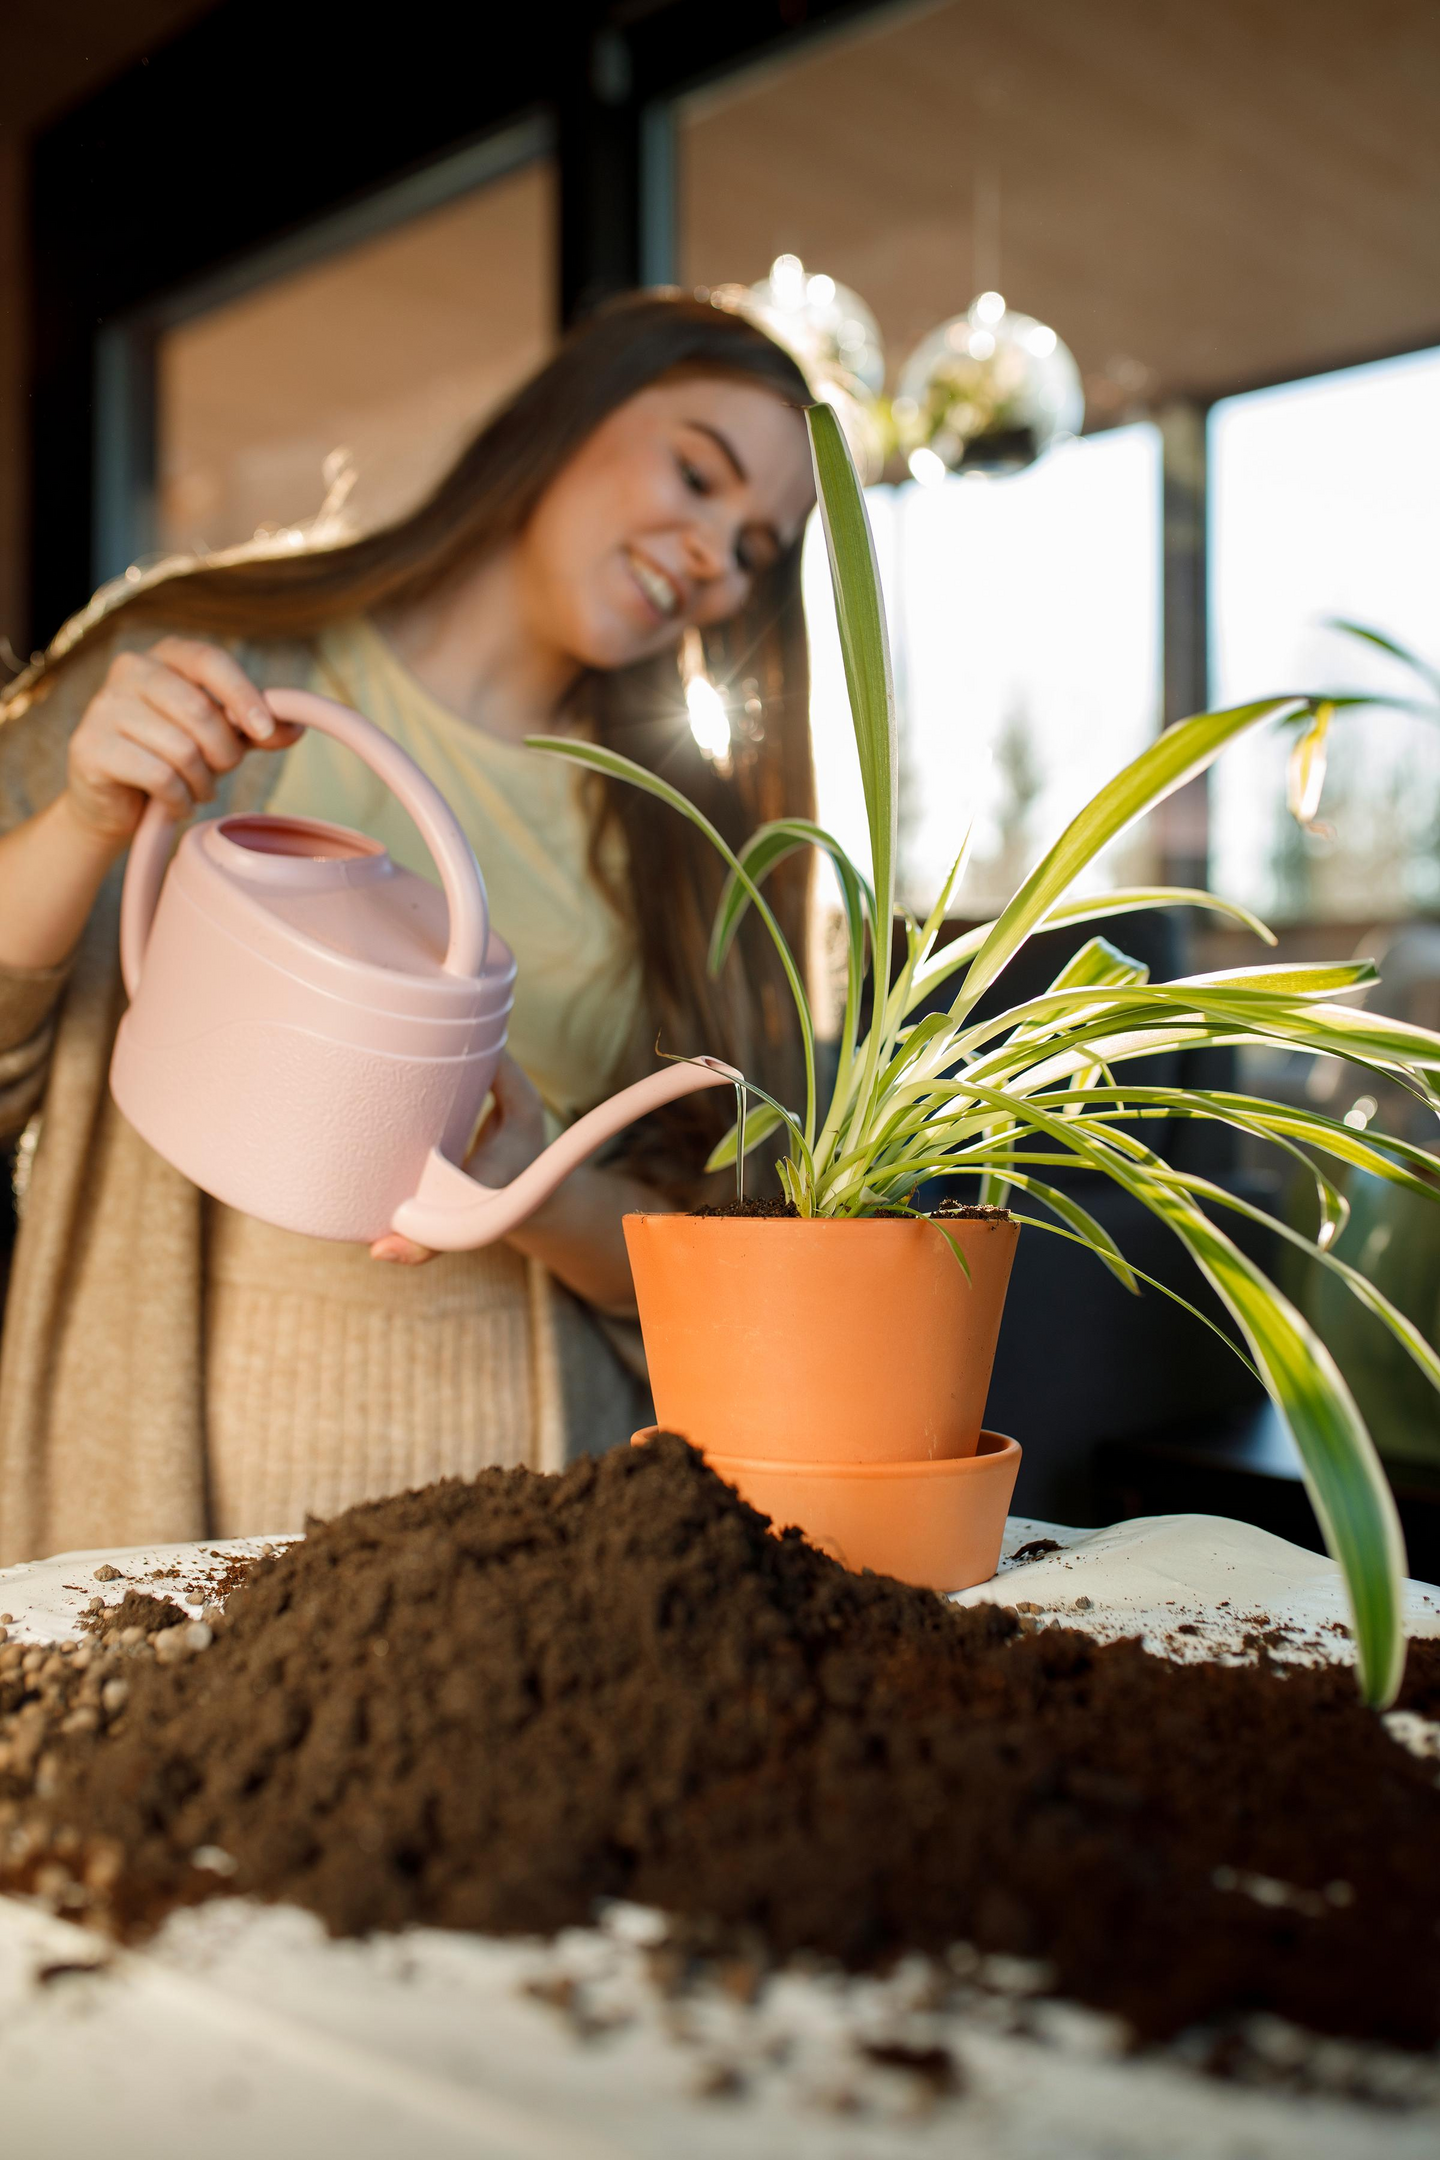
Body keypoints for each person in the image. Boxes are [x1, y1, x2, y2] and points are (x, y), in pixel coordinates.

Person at [0, 292, 817, 1559]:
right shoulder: (199, 668)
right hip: (143, 1508)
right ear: (572, 415)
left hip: (530, 1535)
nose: (713, 551)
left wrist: (530, 1191)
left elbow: (729, 1262)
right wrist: (87, 817)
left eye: (757, 548)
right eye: (698, 475)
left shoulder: (686, 845)